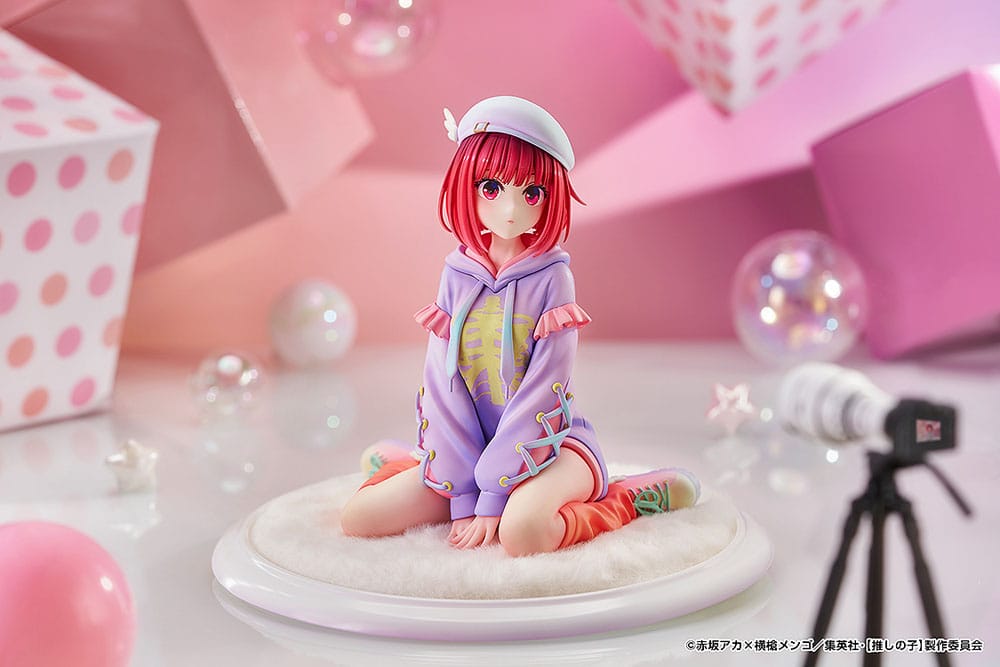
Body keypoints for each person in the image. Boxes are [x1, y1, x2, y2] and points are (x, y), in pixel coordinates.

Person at [340, 96, 699, 556]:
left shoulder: (553, 279)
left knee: (523, 533)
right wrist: (460, 490)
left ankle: (624, 498)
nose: (511, 209)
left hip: (552, 448)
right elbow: (442, 381)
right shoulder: (457, 275)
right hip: (470, 455)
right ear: (465, 184)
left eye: (531, 193)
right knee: (359, 518)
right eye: (491, 187)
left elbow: (544, 391)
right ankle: (408, 463)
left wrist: (492, 494)